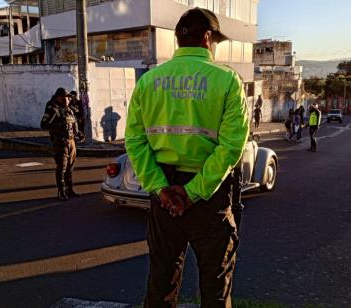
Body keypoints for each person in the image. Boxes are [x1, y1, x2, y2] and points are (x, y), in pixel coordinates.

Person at [125, 7, 249, 308]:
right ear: (208, 38)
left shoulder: (148, 82)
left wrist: (160, 189)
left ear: (179, 39)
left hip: (164, 193)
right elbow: (232, 147)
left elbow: (135, 141)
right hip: (208, 194)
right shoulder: (227, 81)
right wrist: (192, 193)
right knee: (215, 284)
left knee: (161, 280)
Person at [40, 88, 82, 200]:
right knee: (62, 167)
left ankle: (70, 189)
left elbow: (73, 123)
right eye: (65, 97)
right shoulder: (53, 109)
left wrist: (79, 134)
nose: (68, 99)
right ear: (59, 97)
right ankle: (62, 191)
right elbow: (44, 125)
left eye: (68, 97)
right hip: (60, 141)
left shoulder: (69, 110)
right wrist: (58, 126)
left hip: (71, 141)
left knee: (70, 167)